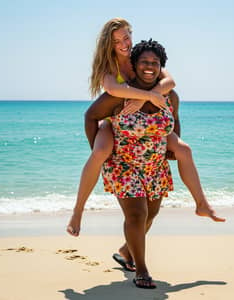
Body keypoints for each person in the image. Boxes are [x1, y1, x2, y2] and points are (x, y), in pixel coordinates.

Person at [67, 18, 225, 267]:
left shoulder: (140, 57)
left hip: (149, 134)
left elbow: (170, 84)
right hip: (114, 123)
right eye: (117, 40)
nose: (123, 44)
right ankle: (78, 211)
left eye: (126, 37)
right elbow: (114, 94)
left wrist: (146, 99)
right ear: (108, 44)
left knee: (183, 149)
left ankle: (201, 204)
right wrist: (146, 97)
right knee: (100, 154)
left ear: (132, 35)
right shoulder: (109, 68)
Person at [83, 39, 179, 288]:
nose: (150, 67)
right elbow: (91, 115)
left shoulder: (170, 96)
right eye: (144, 62)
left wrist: (173, 145)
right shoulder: (118, 96)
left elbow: (174, 118)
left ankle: (126, 252)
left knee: (152, 213)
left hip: (154, 164)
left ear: (161, 68)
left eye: (155, 63)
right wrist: (99, 149)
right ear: (134, 66)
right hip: (123, 165)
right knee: (137, 214)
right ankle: (142, 269)